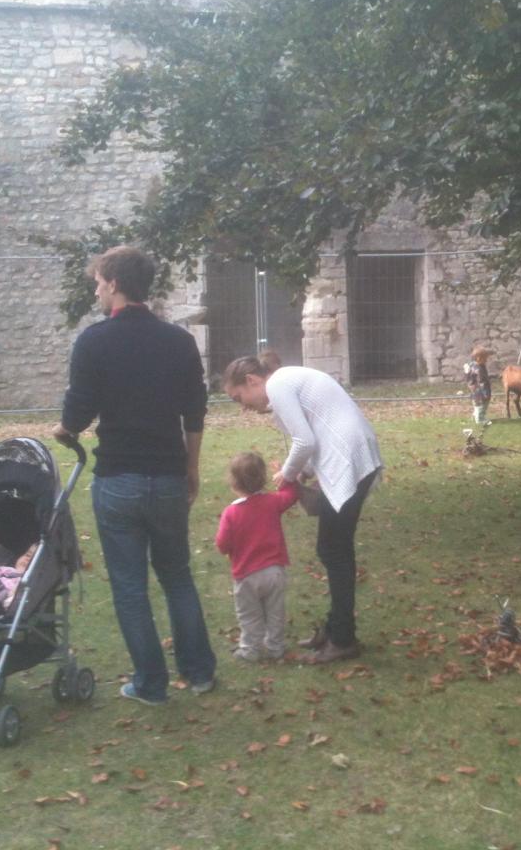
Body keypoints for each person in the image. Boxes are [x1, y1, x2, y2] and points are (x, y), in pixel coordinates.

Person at [52, 245, 217, 705]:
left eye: (100, 281)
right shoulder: (178, 341)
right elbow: (194, 412)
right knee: (177, 576)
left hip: (119, 479)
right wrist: (191, 469)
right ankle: (199, 671)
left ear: (116, 284)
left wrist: (62, 430)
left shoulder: (94, 341)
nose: (97, 289)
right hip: (167, 477)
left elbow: (78, 413)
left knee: (130, 586)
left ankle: (150, 683)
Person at [223, 352, 383, 664]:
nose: (242, 406)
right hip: (352, 457)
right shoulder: (284, 383)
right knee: (334, 550)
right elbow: (313, 434)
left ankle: (343, 639)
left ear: (252, 381)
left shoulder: (279, 384)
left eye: (238, 397)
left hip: (350, 459)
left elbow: (305, 441)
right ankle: (336, 628)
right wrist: (304, 471)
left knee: (333, 551)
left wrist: (289, 472)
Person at [216, 451, 299, 663]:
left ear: (234, 482)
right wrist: (286, 475)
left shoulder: (231, 513)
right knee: (275, 612)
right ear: (262, 478)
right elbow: (290, 495)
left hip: (246, 574)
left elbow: (222, 545)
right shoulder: (272, 502)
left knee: (249, 615)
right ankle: (275, 647)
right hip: (274, 571)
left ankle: (250, 649)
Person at [463, 346, 494, 426]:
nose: (486, 360)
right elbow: (482, 381)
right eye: (485, 358)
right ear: (478, 358)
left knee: (477, 404)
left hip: (474, 391)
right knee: (482, 405)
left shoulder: (472, 365)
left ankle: (476, 415)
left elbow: (467, 374)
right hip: (480, 392)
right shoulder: (479, 368)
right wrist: (486, 393)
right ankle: (479, 419)